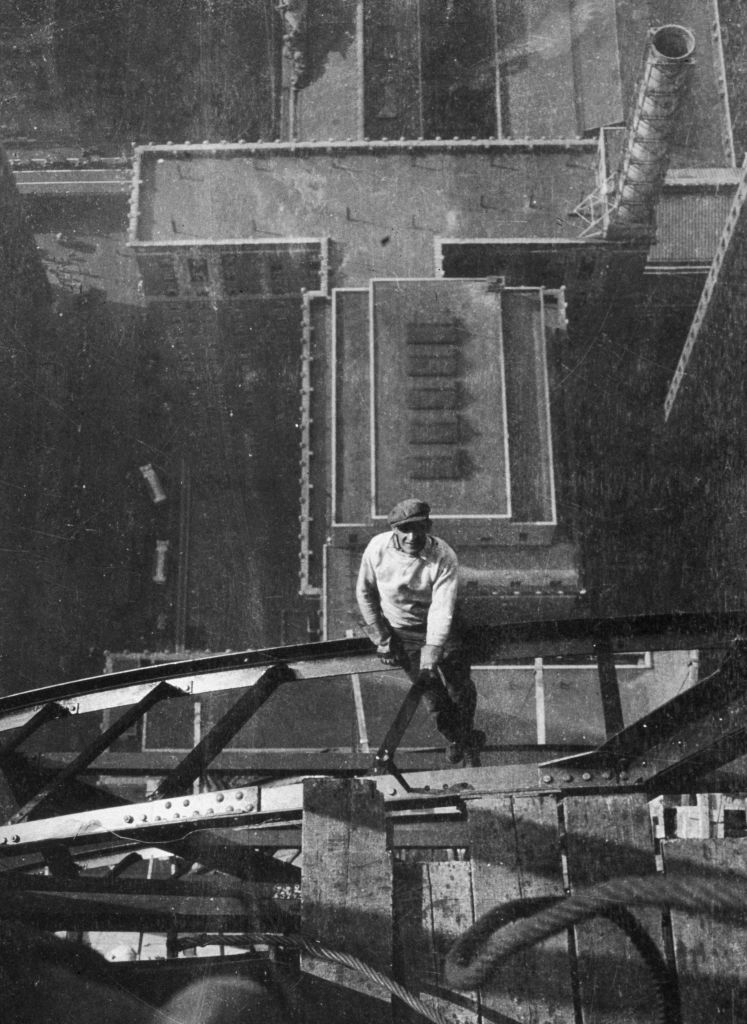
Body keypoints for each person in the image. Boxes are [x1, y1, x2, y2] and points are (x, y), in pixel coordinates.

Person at [356, 497, 485, 766]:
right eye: (405, 529)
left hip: (444, 628)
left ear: (428, 526)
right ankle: (457, 739)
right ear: (394, 530)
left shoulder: (444, 555)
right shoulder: (377, 549)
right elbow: (365, 593)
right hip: (403, 632)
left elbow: (442, 606)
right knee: (431, 695)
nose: (412, 536)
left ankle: (465, 737)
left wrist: (434, 646)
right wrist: (382, 638)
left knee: (459, 687)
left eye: (418, 528)